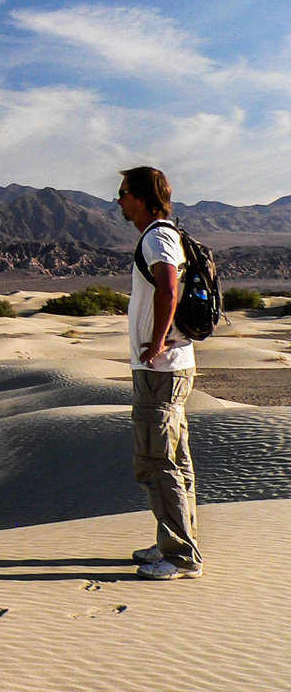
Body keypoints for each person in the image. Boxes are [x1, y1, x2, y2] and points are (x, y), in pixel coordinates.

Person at [115, 166, 202, 580]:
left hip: (161, 370)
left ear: (142, 197)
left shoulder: (158, 237)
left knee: (157, 460)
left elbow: (167, 286)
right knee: (174, 459)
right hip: (172, 369)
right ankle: (173, 542)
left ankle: (180, 556)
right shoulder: (168, 235)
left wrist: (155, 341)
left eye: (123, 192)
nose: (119, 200)